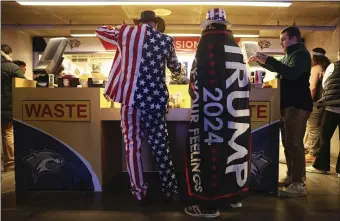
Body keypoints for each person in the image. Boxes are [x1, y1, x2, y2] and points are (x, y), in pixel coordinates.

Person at [96, 10, 181, 202]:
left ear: (140, 22)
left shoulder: (126, 33)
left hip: (130, 101)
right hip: (154, 101)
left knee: (132, 145)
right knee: (160, 145)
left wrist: (122, 29)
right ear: (155, 23)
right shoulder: (166, 40)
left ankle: (139, 192)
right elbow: (176, 68)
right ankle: (170, 189)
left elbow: (99, 30)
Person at [184, 9, 250, 218]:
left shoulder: (207, 44)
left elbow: (195, 81)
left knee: (209, 153)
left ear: (208, 25)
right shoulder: (235, 45)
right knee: (234, 150)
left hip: (212, 114)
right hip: (236, 113)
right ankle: (233, 197)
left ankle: (208, 205)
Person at [249, 26, 312, 197]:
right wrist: (263, 61)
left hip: (297, 105)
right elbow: (281, 68)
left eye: (283, 39)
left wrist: (268, 60)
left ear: (294, 38)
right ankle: (292, 177)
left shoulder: (300, 54)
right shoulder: (290, 55)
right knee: (288, 144)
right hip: (288, 105)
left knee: (295, 143)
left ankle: (299, 183)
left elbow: (291, 73)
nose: (282, 42)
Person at [306, 50, 340, 178]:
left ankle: (321, 166)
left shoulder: (333, 66)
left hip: (332, 107)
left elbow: (325, 84)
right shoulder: (327, 65)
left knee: (325, 137)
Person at [1, 44, 25, 171]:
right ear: (9, 53)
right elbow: (24, 85)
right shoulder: (13, 68)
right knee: (7, 134)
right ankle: (9, 164)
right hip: (7, 106)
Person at [304, 48, 330, 162]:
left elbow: (313, 87)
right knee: (316, 126)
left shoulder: (316, 68)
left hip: (316, 102)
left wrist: (307, 102)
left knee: (313, 127)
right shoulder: (327, 68)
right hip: (324, 102)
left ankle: (312, 153)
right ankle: (310, 149)